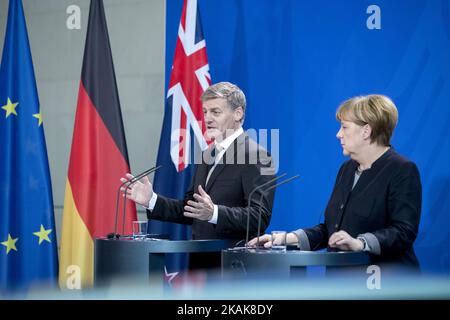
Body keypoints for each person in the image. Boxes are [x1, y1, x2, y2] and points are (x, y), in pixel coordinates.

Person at [249, 94, 422, 271]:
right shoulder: (347, 170)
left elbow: (403, 231)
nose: (338, 134)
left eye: (344, 127)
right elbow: (330, 231)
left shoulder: (402, 169)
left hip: (385, 284)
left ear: (366, 131)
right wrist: (286, 239)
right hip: (344, 282)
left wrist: (360, 243)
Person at [121, 82, 276, 269]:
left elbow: (260, 217)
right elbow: (192, 209)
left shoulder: (258, 155)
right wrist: (152, 200)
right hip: (199, 265)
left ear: (238, 113)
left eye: (215, 112)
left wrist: (215, 213)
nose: (207, 118)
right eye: (205, 112)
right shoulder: (207, 154)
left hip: (233, 268)